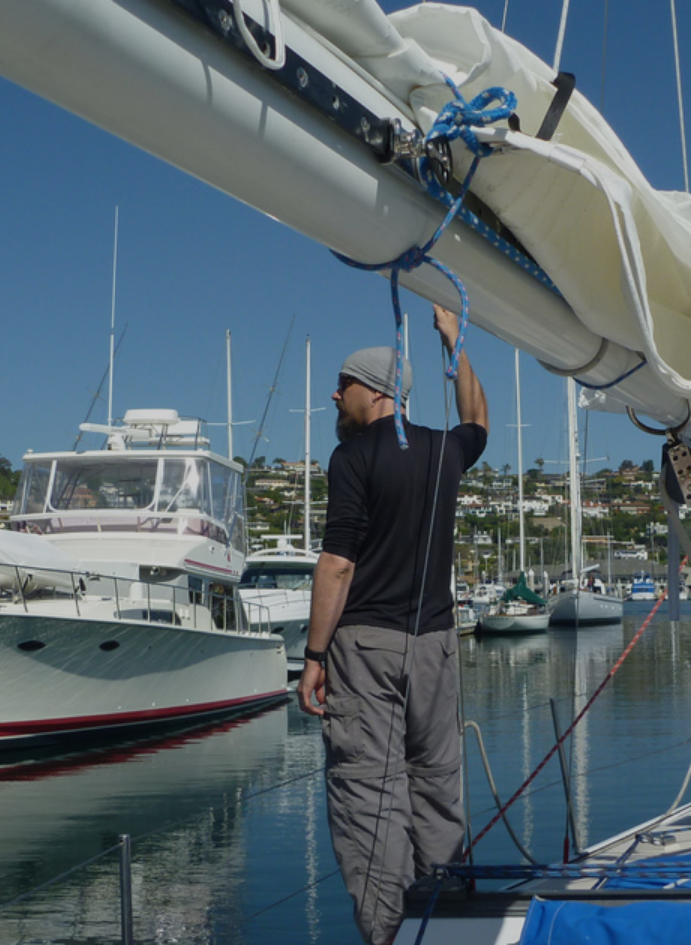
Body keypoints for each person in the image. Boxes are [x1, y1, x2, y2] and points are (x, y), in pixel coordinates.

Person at [299, 304, 488, 945]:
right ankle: (448, 917)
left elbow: (337, 564)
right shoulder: (444, 451)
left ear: (375, 390)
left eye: (343, 384)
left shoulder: (350, 457)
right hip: (436, 646)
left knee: (369, 797)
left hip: (366, 648)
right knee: (437, 782)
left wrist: (313, 658)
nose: (335, 395)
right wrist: (455, 343)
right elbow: (477, 420)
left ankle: (387, 935)